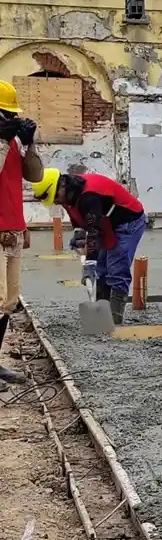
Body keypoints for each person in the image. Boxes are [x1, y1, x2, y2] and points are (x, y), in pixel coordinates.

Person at [31, 168, 146, 325]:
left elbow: (94, 231)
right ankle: (101, 314)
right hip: (106, 222)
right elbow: (78, 219)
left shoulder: (88, 197)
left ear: (61, 184)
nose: (56, 201)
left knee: (116, 268)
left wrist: (90, 263)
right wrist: (78, 235)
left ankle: (114, 319)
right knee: (102, 269)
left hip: (127, 221)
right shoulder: (68, 194)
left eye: (55, 197)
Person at [0, 80, 42, 386]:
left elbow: (35, 175)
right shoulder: (3, 142)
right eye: (6, 115)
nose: (11, 119)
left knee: (8, 302)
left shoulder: (13, 142)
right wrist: (3, 140)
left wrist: (29, 143)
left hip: (12, 230)